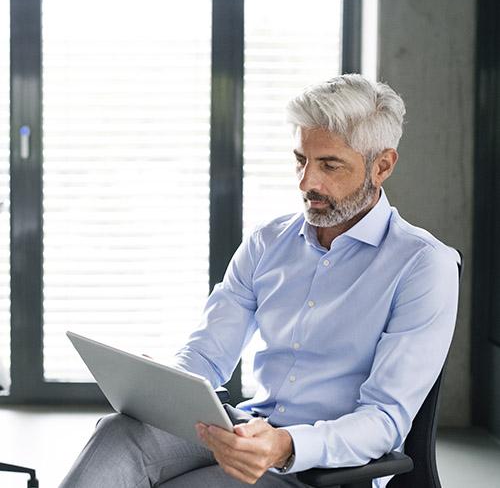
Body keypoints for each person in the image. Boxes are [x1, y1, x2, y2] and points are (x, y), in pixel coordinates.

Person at [60, 74, 459, 488]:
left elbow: (385, 420)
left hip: (321, 464)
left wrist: (285, 444)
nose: (307, 182)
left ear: (382, 165)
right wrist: (164, 389)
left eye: (329, 165)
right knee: (119, 431)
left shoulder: (423, 266)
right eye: (300, 159)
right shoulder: (268, 242)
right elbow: (206, 355)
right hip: (249, 427)